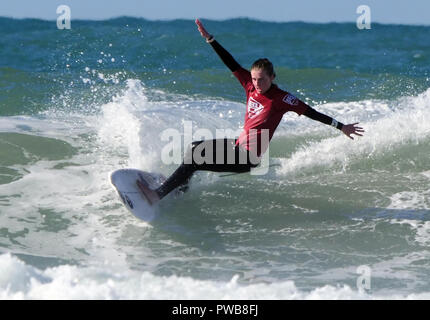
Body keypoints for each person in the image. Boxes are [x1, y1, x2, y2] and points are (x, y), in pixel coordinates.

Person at [137, 19, 364, 205]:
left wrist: (341, 126)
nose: (257, 84)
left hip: (249, 158)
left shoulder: (283, 99)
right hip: (238, 145)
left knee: (195, 159)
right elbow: (231, 63)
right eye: (254, 79)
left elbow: (312, 113)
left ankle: (157, 194)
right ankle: (179, 190)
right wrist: (210, 39)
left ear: (272, 78)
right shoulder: (249, 84)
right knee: (195, 148)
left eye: (262, 80)